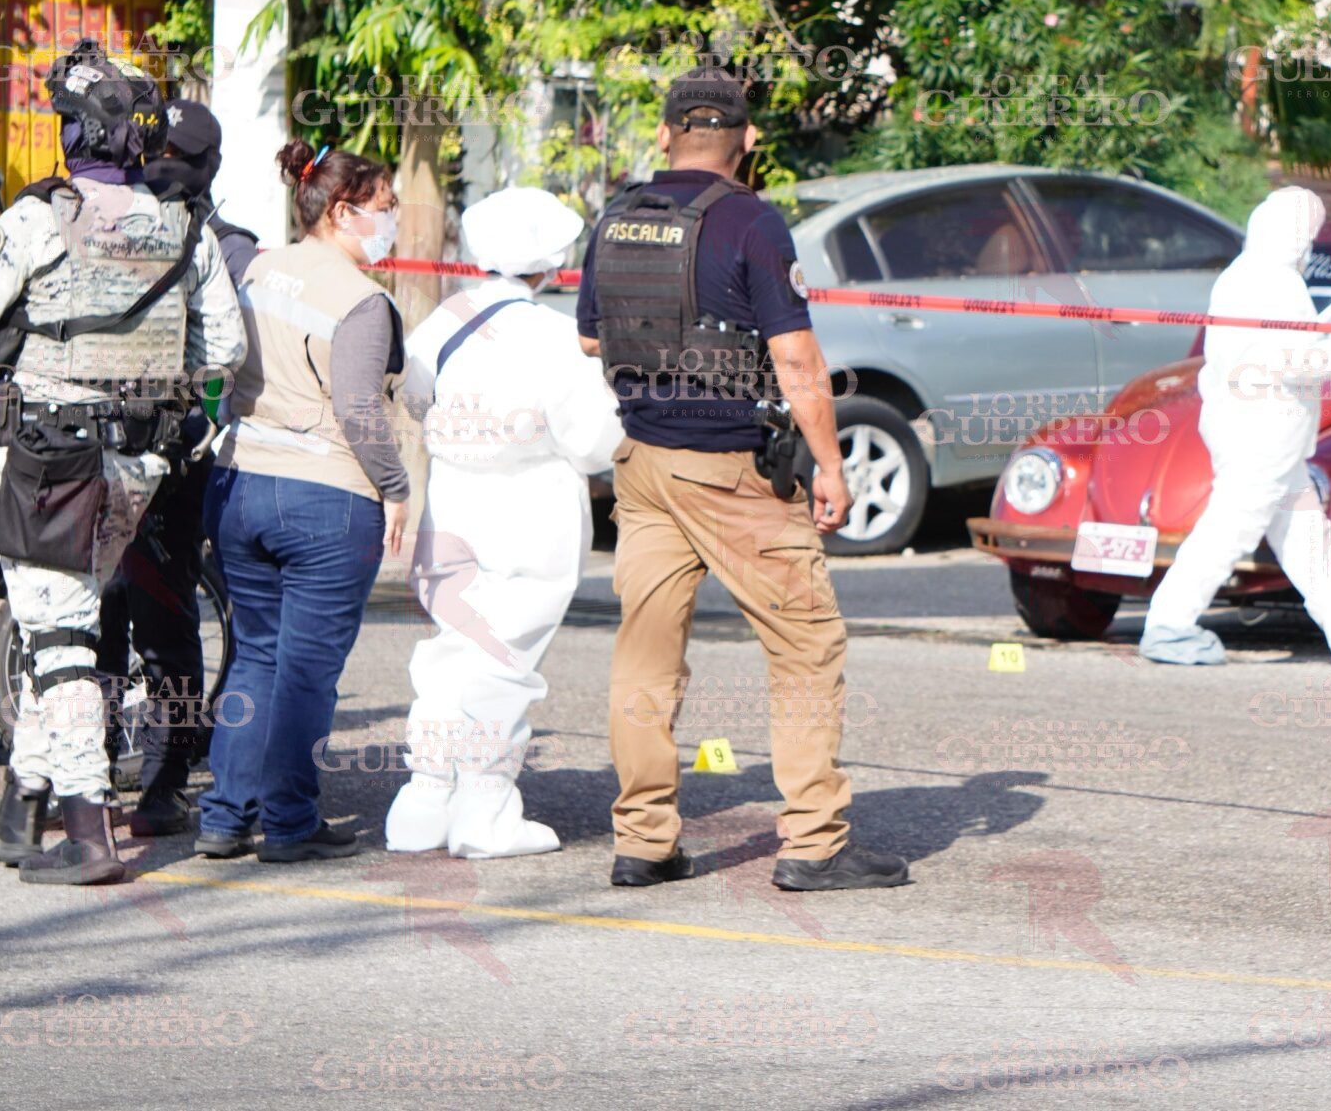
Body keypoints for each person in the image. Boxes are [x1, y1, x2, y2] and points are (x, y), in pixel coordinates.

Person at [577, 66, 904, 892]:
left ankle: (643, 839)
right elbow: (796, 356)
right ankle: (816, 843)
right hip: (731, 472)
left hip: (643, 468)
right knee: (805, 644)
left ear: (663, 136)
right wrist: (831, 464)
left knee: (646, 657)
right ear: (746, 140)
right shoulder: (755, 222)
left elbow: (590, 341)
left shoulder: (615, 215)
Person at [0, 42, 246, 885]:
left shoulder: (41, 218)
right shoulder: (187, 226)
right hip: (136, 465)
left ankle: (89, 830)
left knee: (62, 637)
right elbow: (225, 348)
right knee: (48, 627)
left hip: (47, 460)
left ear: (75, 132)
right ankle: (19, 812)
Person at [385, 187, 623, 858]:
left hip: (453, 499)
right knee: (504, 657)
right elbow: (595, 440)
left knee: (449, 648)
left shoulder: (443, 318)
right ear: (554, 259)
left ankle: (423, 800)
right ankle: (485, 812)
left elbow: (413, 393)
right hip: (531, 508)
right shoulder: (552, 335)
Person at [198, 142, 409, 862]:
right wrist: (399, 486)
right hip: (326, 500)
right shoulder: (359, 299)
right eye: (386, 207)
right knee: (308, 669)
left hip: (240, 487)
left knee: (256, 655)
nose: (395, 222)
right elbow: (358, 408)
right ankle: (288, 822)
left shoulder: (258, 269)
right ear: (344, 210)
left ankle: (225, 814)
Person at [1137, 187, 1331, 668]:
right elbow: (1294, 360)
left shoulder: (1241, 277)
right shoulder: (1277, 285)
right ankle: (1169, 624)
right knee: (1232, 528)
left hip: (1251, 427)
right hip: (1263, 431)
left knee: (1305, 533)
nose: (1311, 247)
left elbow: (1283, 344)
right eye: (1309, 236)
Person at [97, 97, 257, 839]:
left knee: (155, 617)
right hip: (111, 450)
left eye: (175, 166)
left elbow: (228, 363)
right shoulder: (117, 226)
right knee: (105, 617)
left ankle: (158, 780)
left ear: (206, 170)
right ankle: (97, 773)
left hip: (165, 453)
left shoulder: (226, 246)